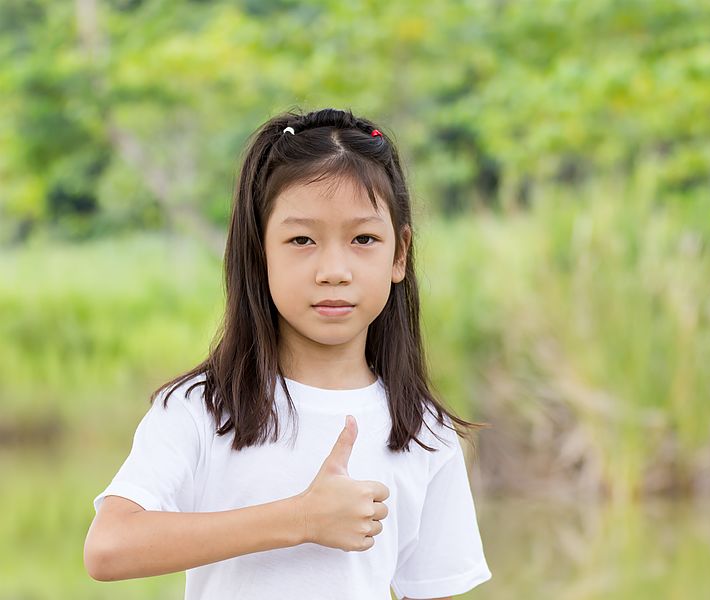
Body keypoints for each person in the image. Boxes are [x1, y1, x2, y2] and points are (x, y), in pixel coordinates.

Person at [83, 107, 493, 599]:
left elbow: (433, 591)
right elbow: (108, 548)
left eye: (364, 239)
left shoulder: (423, 431)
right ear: (260, 252)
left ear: (399, 255)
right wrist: (299, 518)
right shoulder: (202, 408)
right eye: (302, 239)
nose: (334, 269)